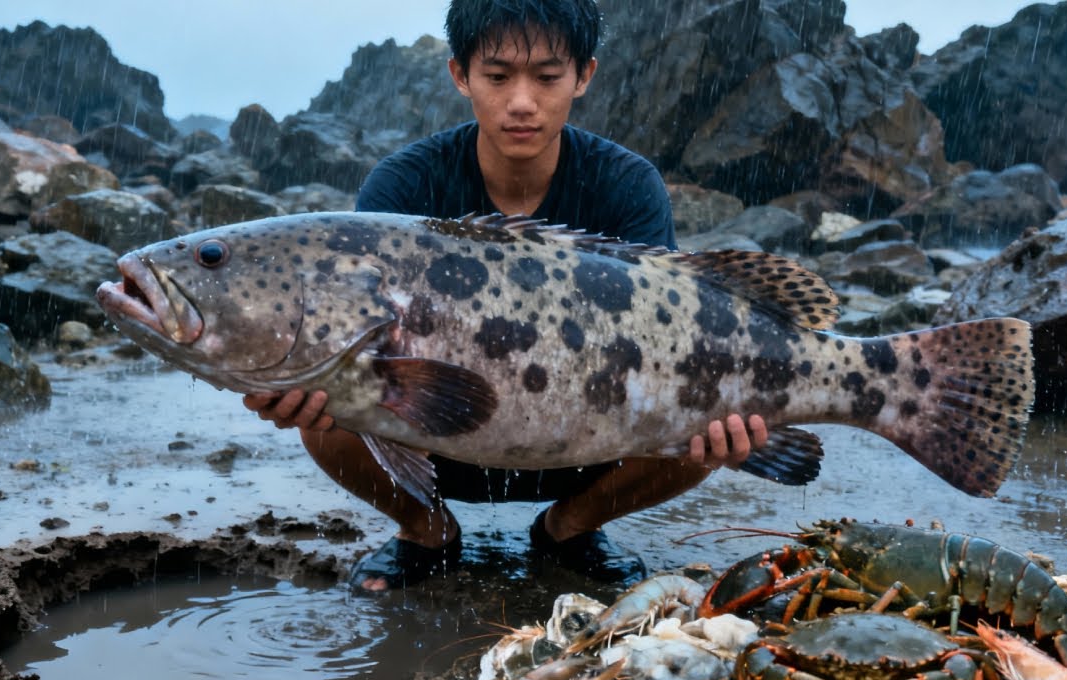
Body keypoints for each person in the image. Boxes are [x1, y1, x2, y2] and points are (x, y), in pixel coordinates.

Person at [244, 0, 767, 593]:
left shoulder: (627, 184)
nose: (522, 102)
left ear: (584, 76)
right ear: (460, 75)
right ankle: (426, 530)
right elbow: (352, 330)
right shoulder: (403, 185)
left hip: (593, 448)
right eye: (497, 77)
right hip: (436, 440)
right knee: (328, 403)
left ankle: (570, 528)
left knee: (706, 428)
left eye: (547, 77)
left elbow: (670, 328)